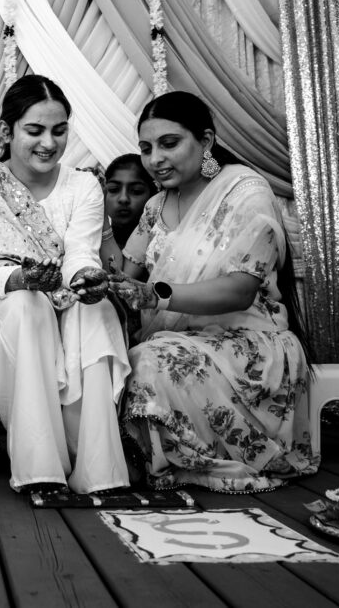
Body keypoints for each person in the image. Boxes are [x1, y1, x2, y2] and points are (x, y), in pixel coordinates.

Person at [0, 74, 131, 494]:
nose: (48, 143)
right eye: (34, 131)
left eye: (59, 131)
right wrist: (18, 280)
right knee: (26, 306)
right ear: (7, 131)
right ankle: (40, 470)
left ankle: (100, 472)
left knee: (99, 307)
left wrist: (84, 280)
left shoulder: (84, 185)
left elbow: (80, 252)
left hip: (63, 298)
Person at [108, 90, 318, 493]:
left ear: (205, 141)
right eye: (147, 148)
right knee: (110, 357)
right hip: (176, 340)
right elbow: (125, 278)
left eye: (170, 144)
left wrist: (155, 296)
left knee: (148, 362)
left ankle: (185, 462)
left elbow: (239, 292)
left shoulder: (245, 192)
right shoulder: (155, 206)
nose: (155, 159)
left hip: (247, 346)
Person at [103, 153, 156, 249]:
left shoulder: (160, 248)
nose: (123, 198)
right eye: (114, 189)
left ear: (152, 195)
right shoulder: (87, 243)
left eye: (136, 191)